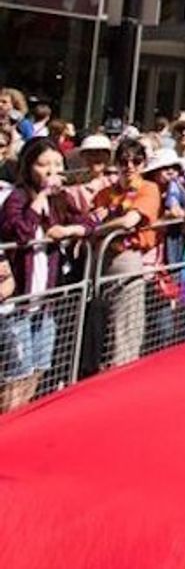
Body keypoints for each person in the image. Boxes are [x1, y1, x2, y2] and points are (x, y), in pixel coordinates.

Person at [0, 138, 92, 410]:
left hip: (46, 300)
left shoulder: (61, 200)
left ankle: (21, 416)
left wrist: (69, 230)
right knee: (18, 371)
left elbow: (89, 222)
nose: (51, 171)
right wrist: (38, 199)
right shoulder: (16, 198)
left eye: (56, 164)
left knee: (40, 366)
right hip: (18, 300)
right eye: (43, 165)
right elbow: (20, 232)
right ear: (29, 167)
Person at [93, 139, 162, 366]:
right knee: (98, 324)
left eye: (136, 161)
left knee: (125, 328)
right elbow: (92, 215)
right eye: (124, 161)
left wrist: (95, 229)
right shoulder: (105, 193)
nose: (130, 166)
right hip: (98, 260)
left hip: (127, 259)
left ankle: (121, 373)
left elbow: (129, 221)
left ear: (144, 164)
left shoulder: (149, 189)